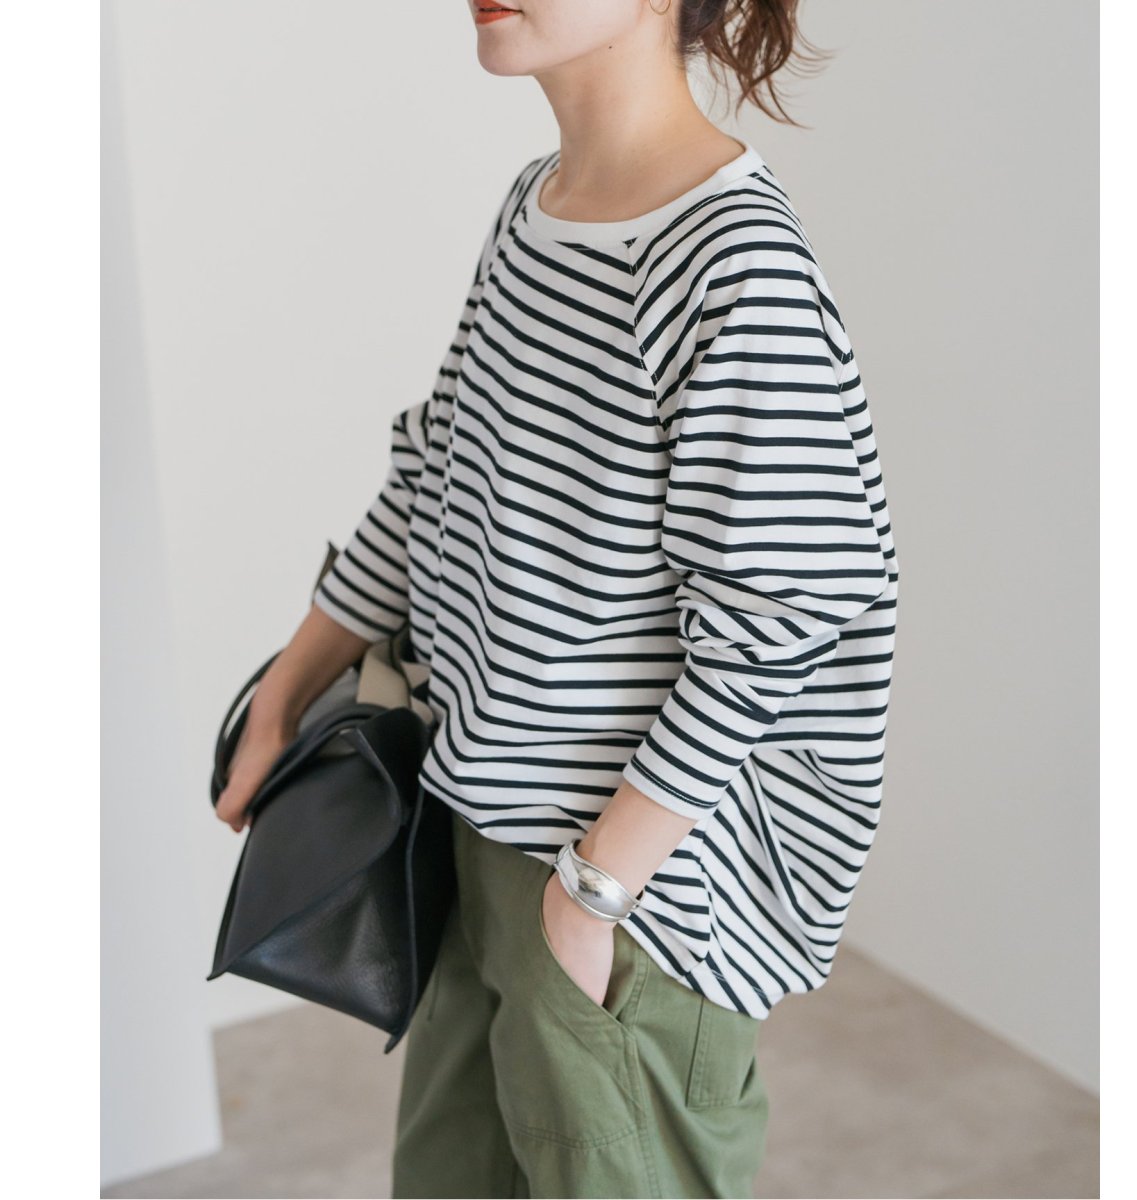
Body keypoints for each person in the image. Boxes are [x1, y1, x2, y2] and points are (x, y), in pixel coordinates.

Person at [215, 1, 900, 1196]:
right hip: (477, 830)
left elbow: (781, 615)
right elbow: (436, 475)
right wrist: (284, 692)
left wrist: (591, 898)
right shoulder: (538, 205)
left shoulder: (733, 263)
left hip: (629, 893)